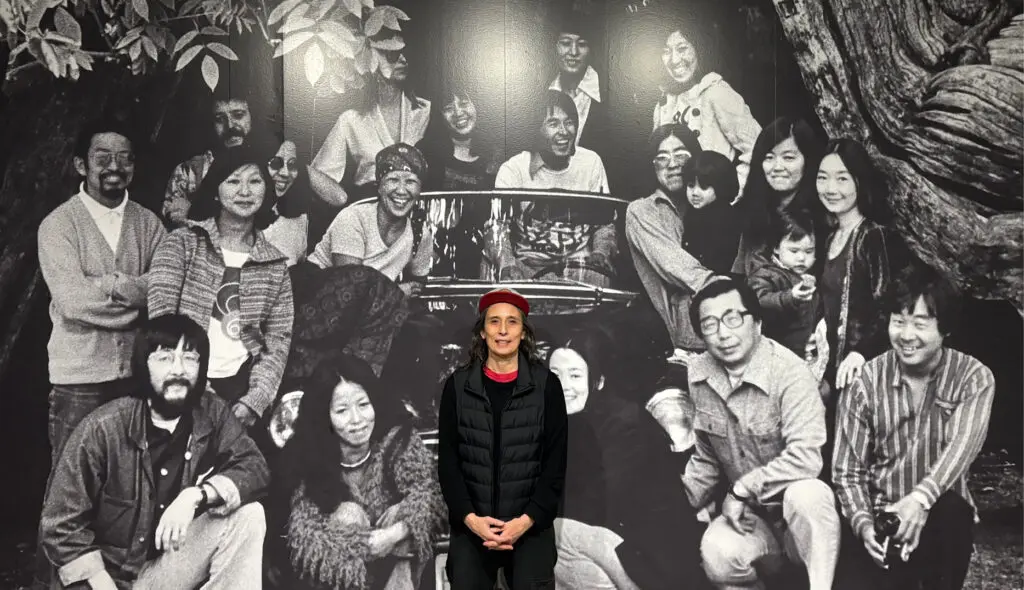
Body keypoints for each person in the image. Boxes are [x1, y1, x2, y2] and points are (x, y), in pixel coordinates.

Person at [37, 314, 269, 590]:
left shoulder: (212, 412)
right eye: (164, 358)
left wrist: (195, 495)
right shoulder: (103, 428)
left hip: (165, 571)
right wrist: (99, 580)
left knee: (249, 516)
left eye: (190, 358)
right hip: (109, 579)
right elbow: (60, 524)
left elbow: (255, 468)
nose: (179, 370)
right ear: (143, 365)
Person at [832, 265, 994, 590]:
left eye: (920, 324)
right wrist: (864, 525)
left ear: (944, 328)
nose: (906, 335)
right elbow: (846, 471)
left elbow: (962, 446)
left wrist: (920, 501)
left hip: (939, 517)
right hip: (881, 517)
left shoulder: (973, 377)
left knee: (952, 511)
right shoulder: (865, 381)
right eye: (898, 321)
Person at [683, 277, 840, 590]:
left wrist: (741, 490)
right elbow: (706, 456)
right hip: (752, 520)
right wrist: (680, 504)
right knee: (718, 552)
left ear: (757, 323)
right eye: (710, 324)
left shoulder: (790, 373)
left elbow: (806, 458)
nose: (723, 333)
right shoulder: (698, 373)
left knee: (808, 494)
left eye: (733, 318)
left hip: (800, 523)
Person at [37, 118, 166, 465]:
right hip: (79, 380)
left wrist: (109, 284)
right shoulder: (58, 225)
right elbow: (74, 302)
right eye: (103, 157)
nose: (115, 167)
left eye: (125, 158)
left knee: (129, 480)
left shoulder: (149, 224)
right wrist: (138, 299)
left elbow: (165, 288)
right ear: (81, 164)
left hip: (136, 377)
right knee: (72, 481)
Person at [548, 327, 708, 590]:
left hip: (654, 559)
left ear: (599, 380)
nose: (563, 386)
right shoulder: (569, 419)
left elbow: (598, 502)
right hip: (615, 543)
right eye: (555, 375)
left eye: (575, 375)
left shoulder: (625, 424)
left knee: (548, 532)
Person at [269, 352, 446, 590]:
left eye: (363, 405)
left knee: (405, 513)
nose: (357, 420)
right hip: (339, 575)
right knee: (348, 514)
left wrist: (393, 535)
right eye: (342, 411)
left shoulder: (398, 440)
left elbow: (432, 498)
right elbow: (306, 533)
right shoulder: (308, 456)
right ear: (326, 416)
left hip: (396, 566)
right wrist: (362, 544)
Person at [148, 146, 294, 430]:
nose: (245, 191)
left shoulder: (274, 265)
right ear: (216, 190)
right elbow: (161, 321)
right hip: (178, 381)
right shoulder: (182, 244)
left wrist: (255, 400)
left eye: (254, 181)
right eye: (233, 181)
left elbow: (275, 342)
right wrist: (195, 386)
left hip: (238, 388)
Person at [437, 288, 568, 589]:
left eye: (513, 322)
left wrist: (523, 523)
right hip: (471, 531)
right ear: (482, 332)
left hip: (530, 529)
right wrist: (472, 521)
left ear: (524, 333)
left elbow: (554, 467)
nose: (503, 331)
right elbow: (449, 466)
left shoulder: (547, 386)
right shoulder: (456, 387)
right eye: (494, 322)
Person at [487, 91, 616, 287]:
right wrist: (508, 264)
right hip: (528, 267)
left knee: (600, 276)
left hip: (579, 268)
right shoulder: (513, 169)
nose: (563, 131)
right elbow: (497, 227)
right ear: (536, 129)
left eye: (569, 122)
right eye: (553, 124)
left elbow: (605, 224)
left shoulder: (591, 162)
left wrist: (600, 252)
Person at [625, 123, 716, 355]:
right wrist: (727, 288)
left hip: (721, 327)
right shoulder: (642, 210)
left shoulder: (709, 204)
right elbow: (675, 266)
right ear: (652, 166)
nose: (673, 164)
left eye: (681, 155)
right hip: (676, 339)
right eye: (662, 157)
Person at [307, 142, 434, 295]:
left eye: (410, 181)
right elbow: (350, 289)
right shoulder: (354, 218)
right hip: (321, 297)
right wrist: (396, 292)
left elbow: (417, 285)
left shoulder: (419, 233)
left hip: (373, 305)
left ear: (420, 190)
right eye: (393, 180)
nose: (401, 190)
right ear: (379, 187)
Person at [311, 44, 431, 204]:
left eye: (404, 53)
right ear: (368, 60)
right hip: (370, 209)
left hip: (415, 209)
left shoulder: (425, 111)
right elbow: (318, 174)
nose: (403, 59)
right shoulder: (350, 119)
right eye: (392, 54)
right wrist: (344, 203)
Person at [652, 20, 760, 192]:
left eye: (682, 49)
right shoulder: (663, 105)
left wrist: (729, 195)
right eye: (666, 51)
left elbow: (757, 148)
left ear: (699, 48)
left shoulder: (716, 92)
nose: (674, 60)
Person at [731, 117, 826, 276]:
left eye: (788, 157)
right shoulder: (755, 210)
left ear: (808, 160)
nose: (777, 167)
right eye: (769, 158)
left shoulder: (822, 216)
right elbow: (739, 272)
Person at [748, 208, 823, 361]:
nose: (802, 258)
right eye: (794, 251)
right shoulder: (766, 273)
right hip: (776, 352)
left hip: (805, 349)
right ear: (776, 248)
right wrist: (790, 297)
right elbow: (759, 300)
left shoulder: (810, 275)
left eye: (809, 251)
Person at [679, 150, 743, 275]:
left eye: (703, 187)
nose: (695, 193)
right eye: (691, 185)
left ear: (720, 186)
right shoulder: (691, 214)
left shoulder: (728, 220)